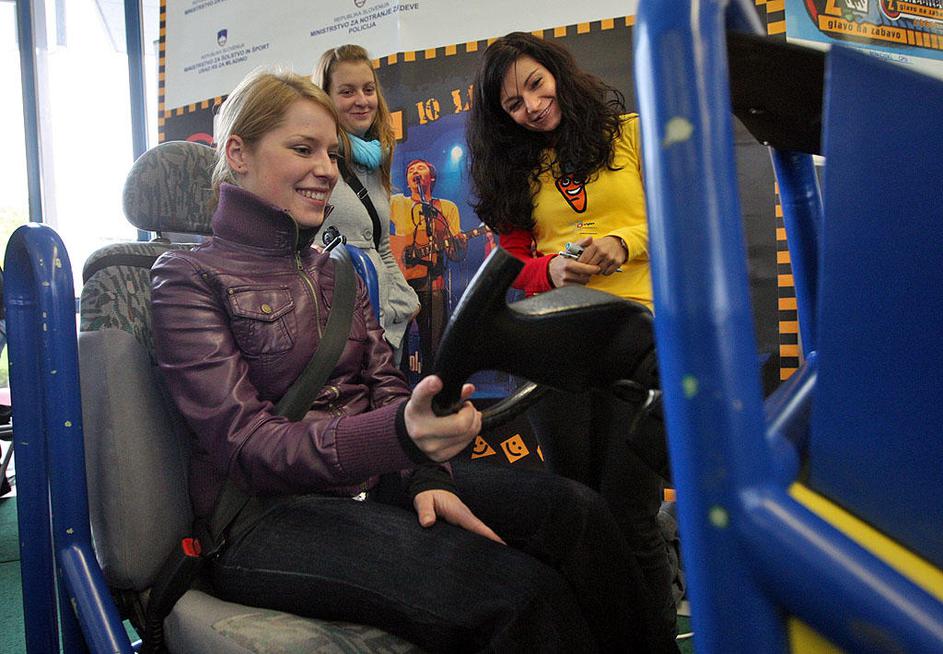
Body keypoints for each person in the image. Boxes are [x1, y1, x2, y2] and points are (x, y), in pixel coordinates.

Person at [151, 67, 673, 652]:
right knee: (518, 594)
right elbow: (246, 445)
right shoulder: (186, 278)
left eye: (332, 153)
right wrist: (401, 438)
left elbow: (385, 382)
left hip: (374, 481)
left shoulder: (338, 271)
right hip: (265, 518)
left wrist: (424, 473)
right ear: (237, 153)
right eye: (303, 149)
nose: (326, 169)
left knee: (578, 513)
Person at [466, 32, 678, 650]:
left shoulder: (629, 134)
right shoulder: (513, 168)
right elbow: (511, 265)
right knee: (578, 511)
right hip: (557, 346)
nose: (532, 107)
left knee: (630, 511)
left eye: (536, 85)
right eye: (513, 104)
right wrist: (551, 269)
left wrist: (623, 243)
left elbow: (678, 219)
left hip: (641, 342)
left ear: (557, 71)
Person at [313, 44, 419, 361]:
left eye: (368, 89)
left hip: (384, 330)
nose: (362, 100)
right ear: (325, 99)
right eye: (347, 91)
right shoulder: (314, 164)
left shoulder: (374, 162)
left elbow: (380, 247)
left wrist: (406, 303)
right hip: (337, 332)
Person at [389, 158, 467, 376]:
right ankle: (401, 387)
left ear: (431, 177)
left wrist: (459, 245)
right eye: (410, 170)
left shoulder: (446, 208)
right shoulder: (397, 202)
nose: (415, 171)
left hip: (433, 282)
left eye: (420, 168)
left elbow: (455, 253)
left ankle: (432, 386)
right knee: (399, 341)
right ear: (408, 181)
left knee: (433, 345)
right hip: (401, 281)